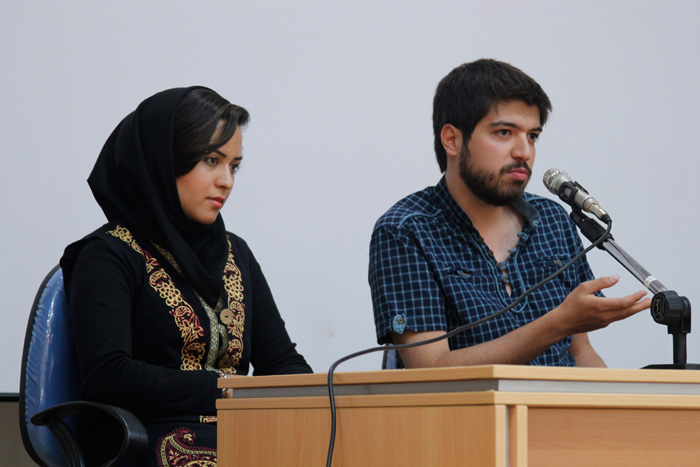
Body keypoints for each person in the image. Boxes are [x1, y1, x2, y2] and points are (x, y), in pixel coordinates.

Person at [60, 87, 313, 466]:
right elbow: (109, 375)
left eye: (234, 166)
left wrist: (309, 397)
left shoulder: (235, 253)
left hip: (240, 432)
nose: (227, 181)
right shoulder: (107, 254)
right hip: (146, 437)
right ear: (164, 161)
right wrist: (222, 388)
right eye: (212, 160)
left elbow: (281, 361)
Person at [369, 59, 651, 369]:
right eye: (504, 132)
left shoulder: (553, 219)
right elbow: (430, 368)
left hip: (562, 402)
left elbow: (580, 352)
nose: (524, 152)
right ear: (452, 140)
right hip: (469, 403)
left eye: (532, 136)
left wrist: (614, 398)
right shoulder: (406, 231)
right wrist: (556, 324)